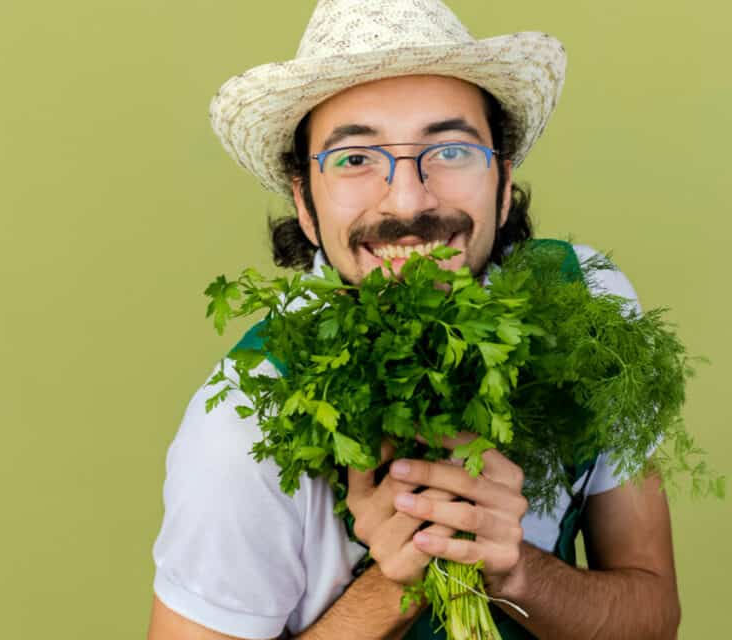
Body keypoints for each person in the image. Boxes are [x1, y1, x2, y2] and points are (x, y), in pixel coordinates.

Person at [148, 1, 680, 638]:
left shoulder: (590, 304)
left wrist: (515, 574)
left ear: (504, 180)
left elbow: (653, 619)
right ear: (306, 205)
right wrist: (395, 585)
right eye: (354, 159)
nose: (408, 198)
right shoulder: (240, 426)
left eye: (451, 150)